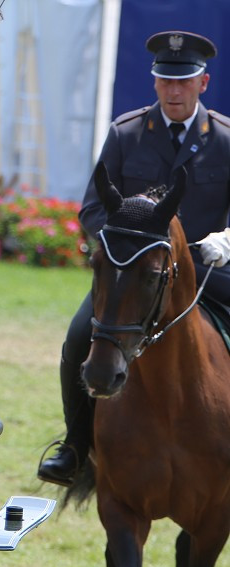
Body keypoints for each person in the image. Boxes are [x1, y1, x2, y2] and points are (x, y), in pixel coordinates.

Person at [38, 30, 230, 487]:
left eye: (185, 81)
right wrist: (121, 245)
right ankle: (75, 446)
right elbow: (91, 207)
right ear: (155, 83)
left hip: (205, 271)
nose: (175, 90)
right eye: (166, 81)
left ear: (203, 84)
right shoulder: (126, 133)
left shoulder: (225, 139)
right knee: (79, 335)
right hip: (135, 274)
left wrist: (227, 238)